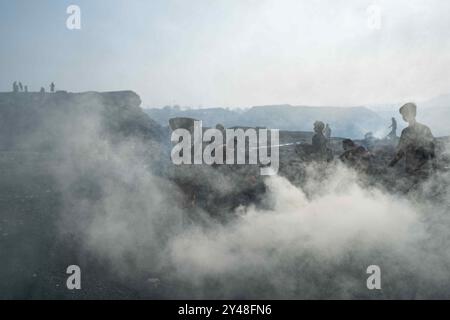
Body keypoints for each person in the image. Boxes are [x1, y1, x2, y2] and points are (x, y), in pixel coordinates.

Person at [389, 102, 435, 174]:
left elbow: (400, 152)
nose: (403, 116)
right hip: (423, 170)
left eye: (404, 114)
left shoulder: (405, 132)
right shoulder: (425, 128)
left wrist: (391, 164)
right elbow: (432, 150)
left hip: (416, 171)